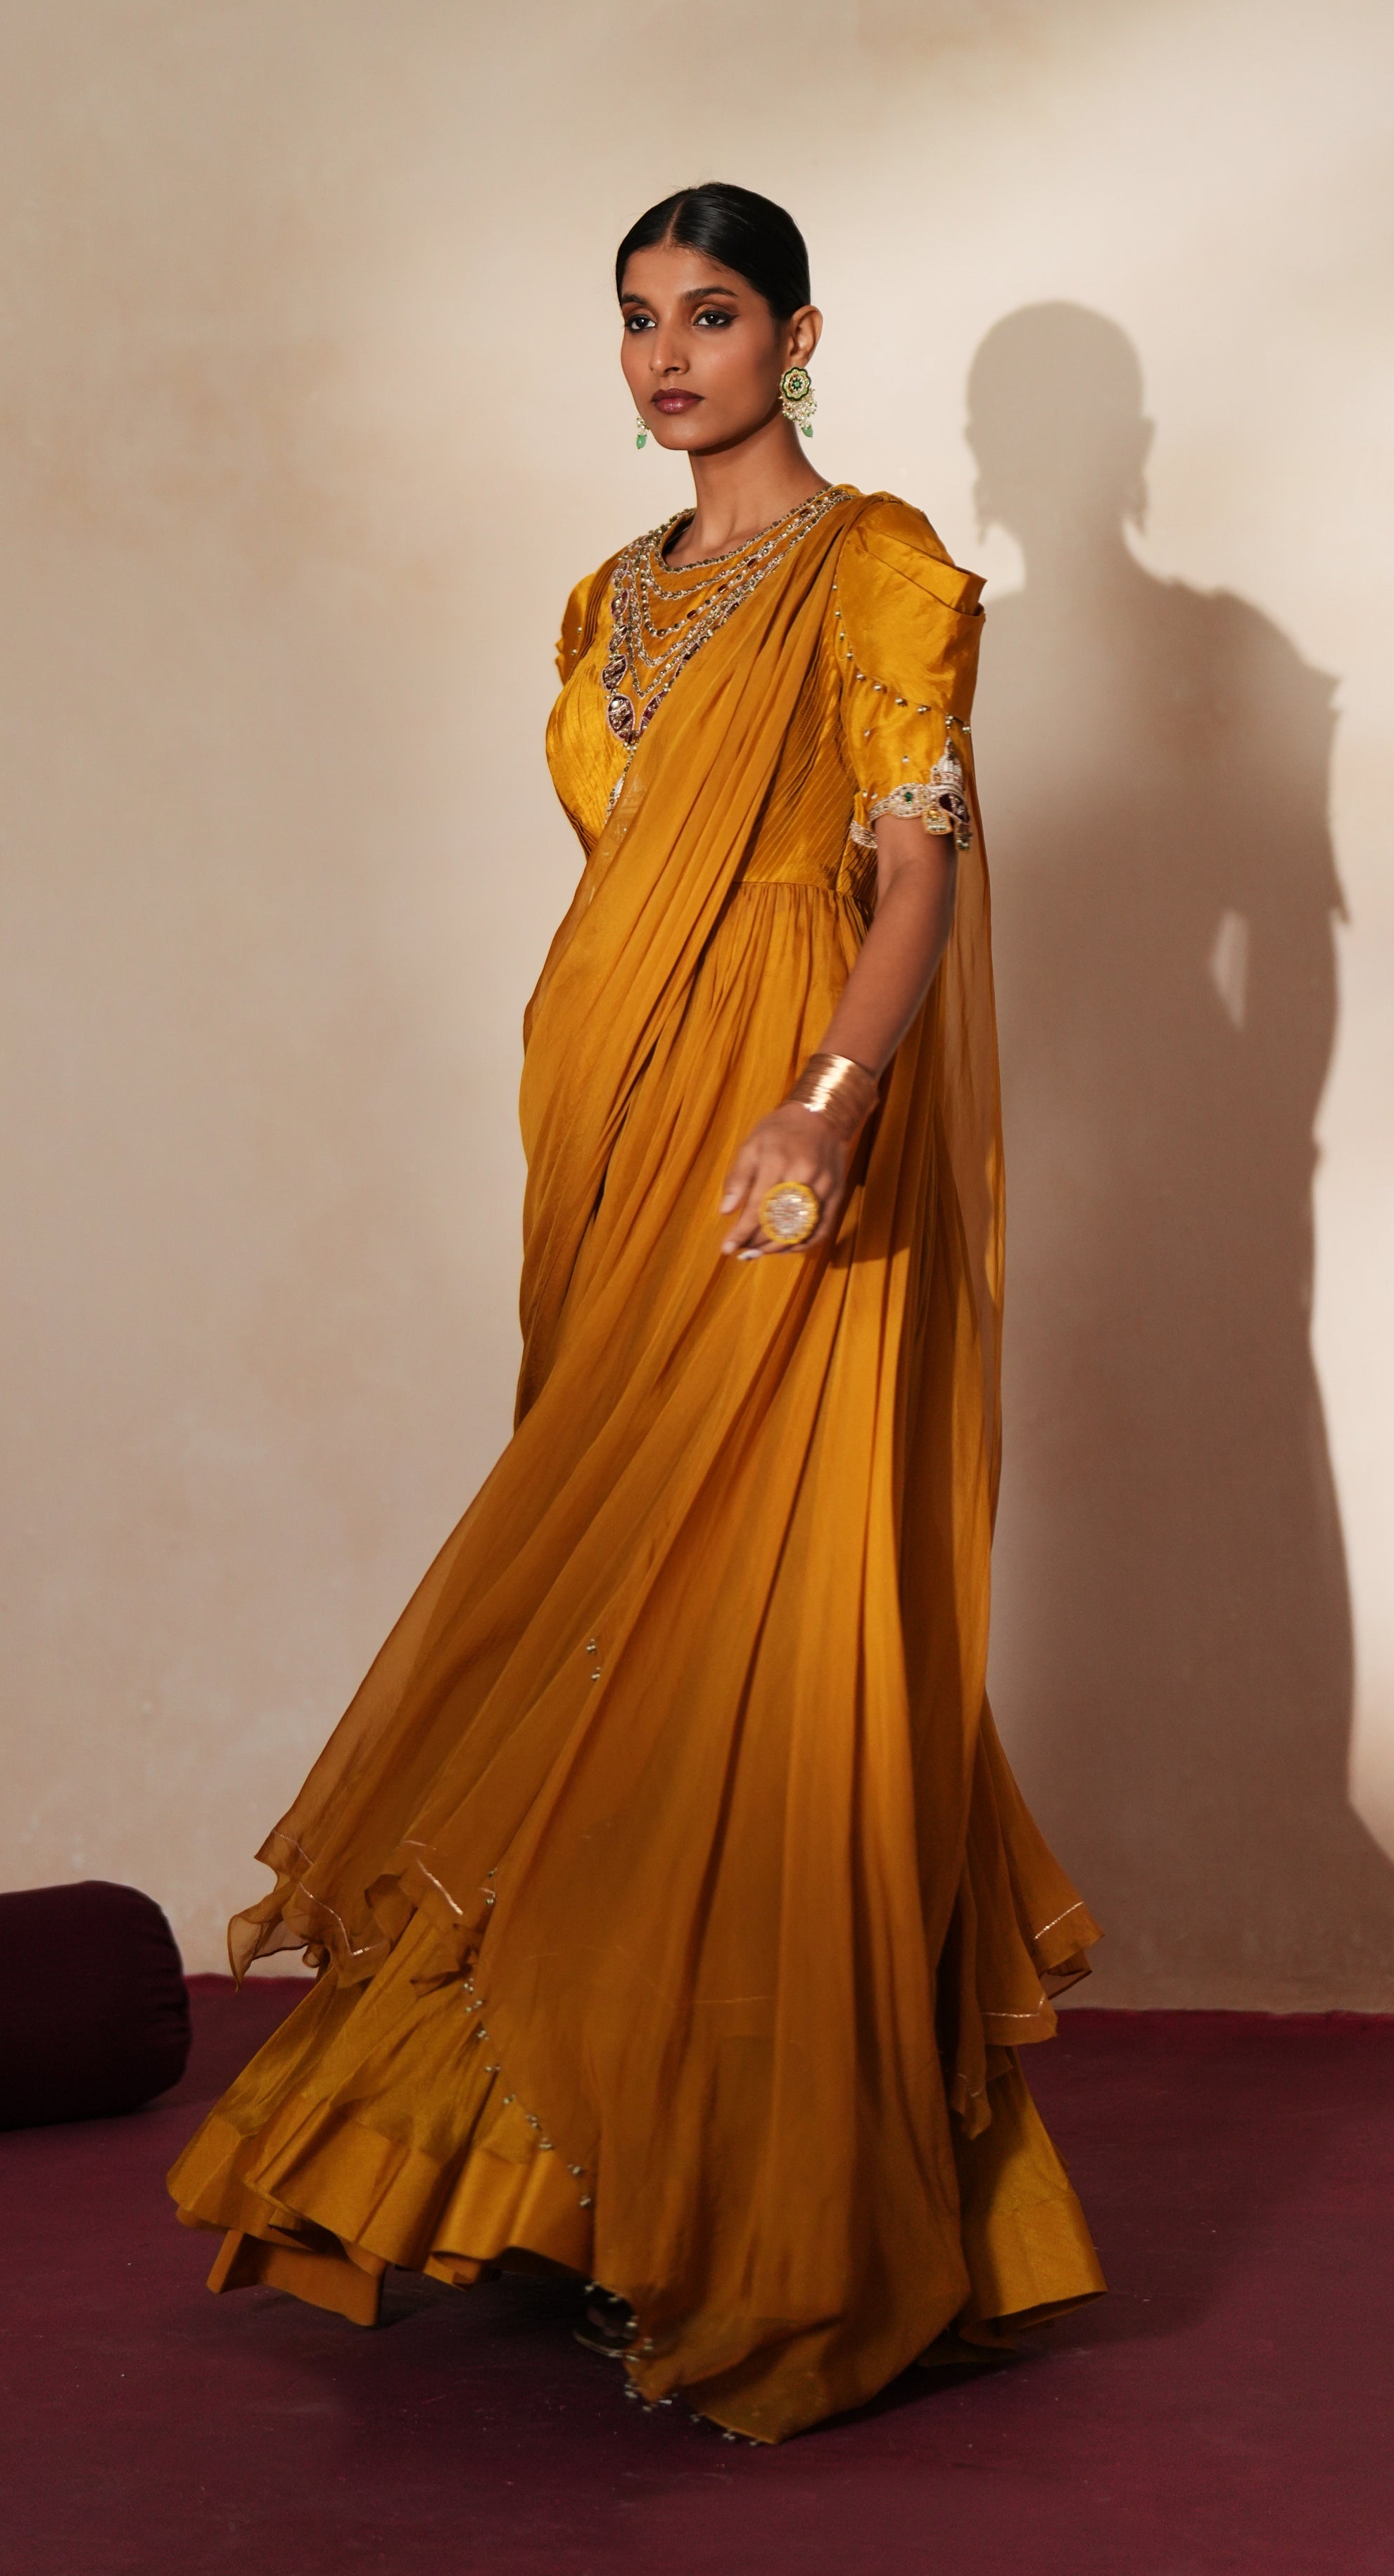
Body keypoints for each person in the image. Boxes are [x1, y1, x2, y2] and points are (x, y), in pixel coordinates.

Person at [167, 184, 1104, 2445]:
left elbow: (919, 869)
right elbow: (621, 879)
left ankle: (789, 2209)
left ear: (799, 335)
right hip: (603, 1130)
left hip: (781, 1147)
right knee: (613, 1628)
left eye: (710, 314)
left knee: (756, 1626)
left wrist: (832, 1103)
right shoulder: (606, 598)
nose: (667, 354)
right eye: (634, 320)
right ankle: (593, 2163)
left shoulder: (883, 570)